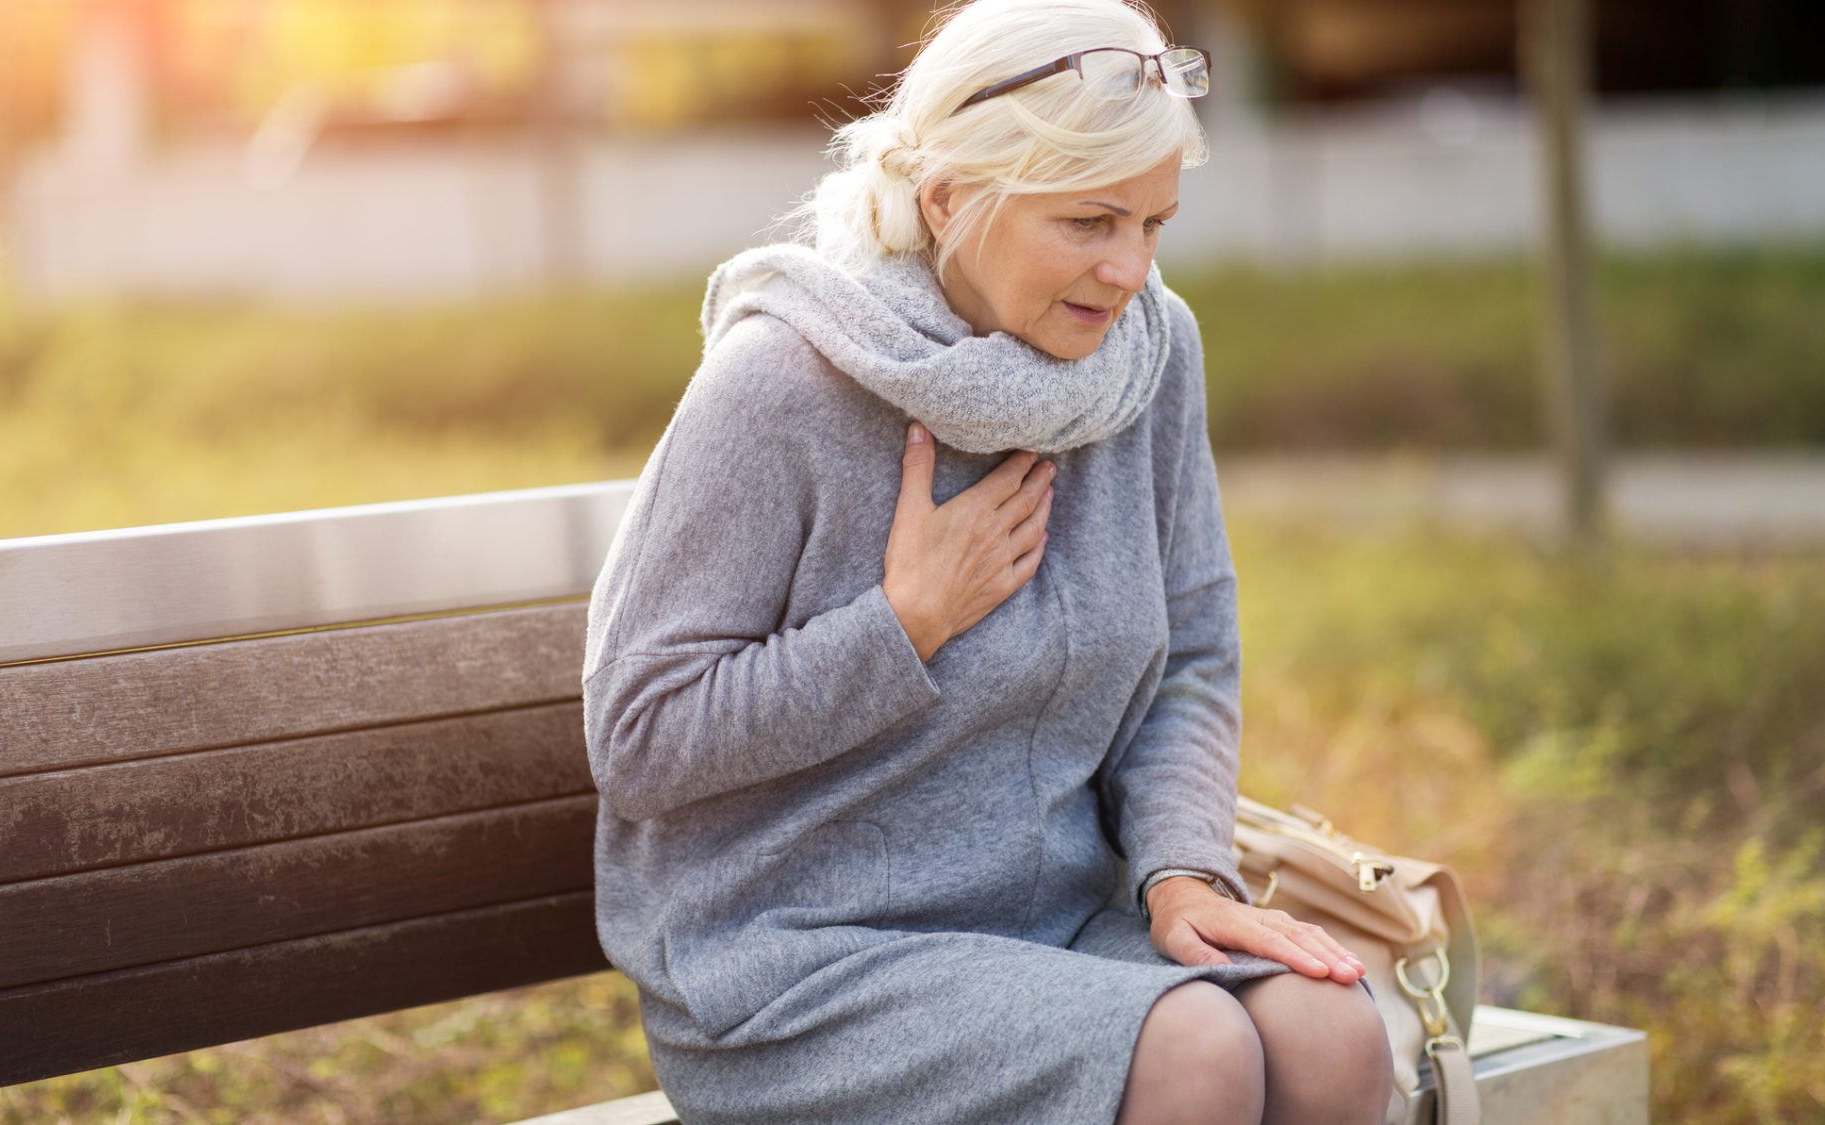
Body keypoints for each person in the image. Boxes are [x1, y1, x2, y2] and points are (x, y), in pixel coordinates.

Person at [580, 0, 1395, 1121]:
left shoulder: (1148, 355)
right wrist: (899, 624)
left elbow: (1191, 654)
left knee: (1329, 1031)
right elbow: (639, 735)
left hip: (1053, 923)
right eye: (1088, 222)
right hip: (802, 962)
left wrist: (1180, 870)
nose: (1126, 272)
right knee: (1195, 1053)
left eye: (1153, 224)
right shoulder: (782, 383)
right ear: (950, 197)